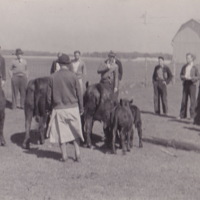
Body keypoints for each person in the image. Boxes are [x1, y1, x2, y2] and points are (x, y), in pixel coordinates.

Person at [47, 53, 84, 162]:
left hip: (59, 108)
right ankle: (77, 154)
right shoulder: (73, 76)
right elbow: (79, 94)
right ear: (68, 64)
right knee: (76, 131)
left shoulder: (52, 77)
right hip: (73, 107)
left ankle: (64, 155)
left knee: (61, 132)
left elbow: (49, 97)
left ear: (58, 63)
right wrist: (81, 108)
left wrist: (50, 109)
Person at [179, 53, 199, 119]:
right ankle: (182, 115)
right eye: (186, 58)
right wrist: (184, 77)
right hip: (185, 84)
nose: (187, 59)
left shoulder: (195, 67)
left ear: (192, 59)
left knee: (193, 101)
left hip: (192, 85)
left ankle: (192, 116)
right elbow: (181, 75)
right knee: (184, 100)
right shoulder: (184, 67)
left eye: (188, 58)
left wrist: (192, 78)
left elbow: (198, 76)